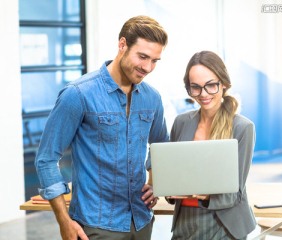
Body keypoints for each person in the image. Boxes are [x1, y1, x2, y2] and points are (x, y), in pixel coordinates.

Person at [35, 15, 169, 240]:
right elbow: (46, 159)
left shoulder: (152, 98)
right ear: (122, 45)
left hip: (141, 220)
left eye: (155, 60)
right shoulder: (77, 94)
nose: (148, 67)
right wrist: (63, 220)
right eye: (143, 57)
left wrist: (155, 183)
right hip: (95, 226)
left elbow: (161, 146)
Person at [167, 51, 256, 240]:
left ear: (223, 84)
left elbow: (235, 194)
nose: (203, 94)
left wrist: (204, 195)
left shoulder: (242, 127)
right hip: (185, 221)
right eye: (196, 88)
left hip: (223, 224)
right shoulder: (181, 122)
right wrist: (169, 190)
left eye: (211, 85)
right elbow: (174, 178)